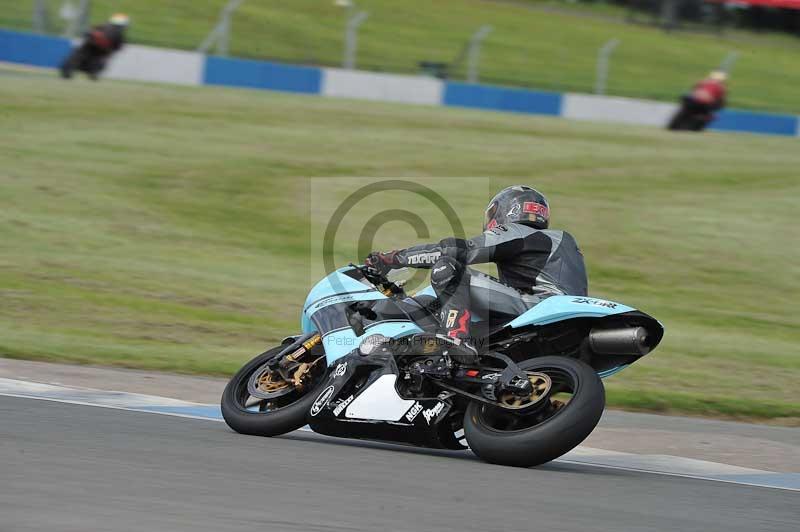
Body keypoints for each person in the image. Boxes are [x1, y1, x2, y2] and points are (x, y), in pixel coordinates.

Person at [365, 186, 588, 362]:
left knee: (448, 267)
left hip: (539, 306)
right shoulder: (557, 242)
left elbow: (458, 250)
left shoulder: (520, 232)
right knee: (447, 300)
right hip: (553, 316)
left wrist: (391, 259)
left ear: (505, 210)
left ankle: (457, 339)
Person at [60, 13, 129, 80]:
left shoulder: (119, 36)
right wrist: (94, 38)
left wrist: (107, 49)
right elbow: (87, 33)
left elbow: (118, 47)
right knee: (76, 57)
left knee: (99, 62)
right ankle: (68, 72)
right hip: (89, 47)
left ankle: (92, 73)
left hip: (101, 52)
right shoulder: (101, 27)